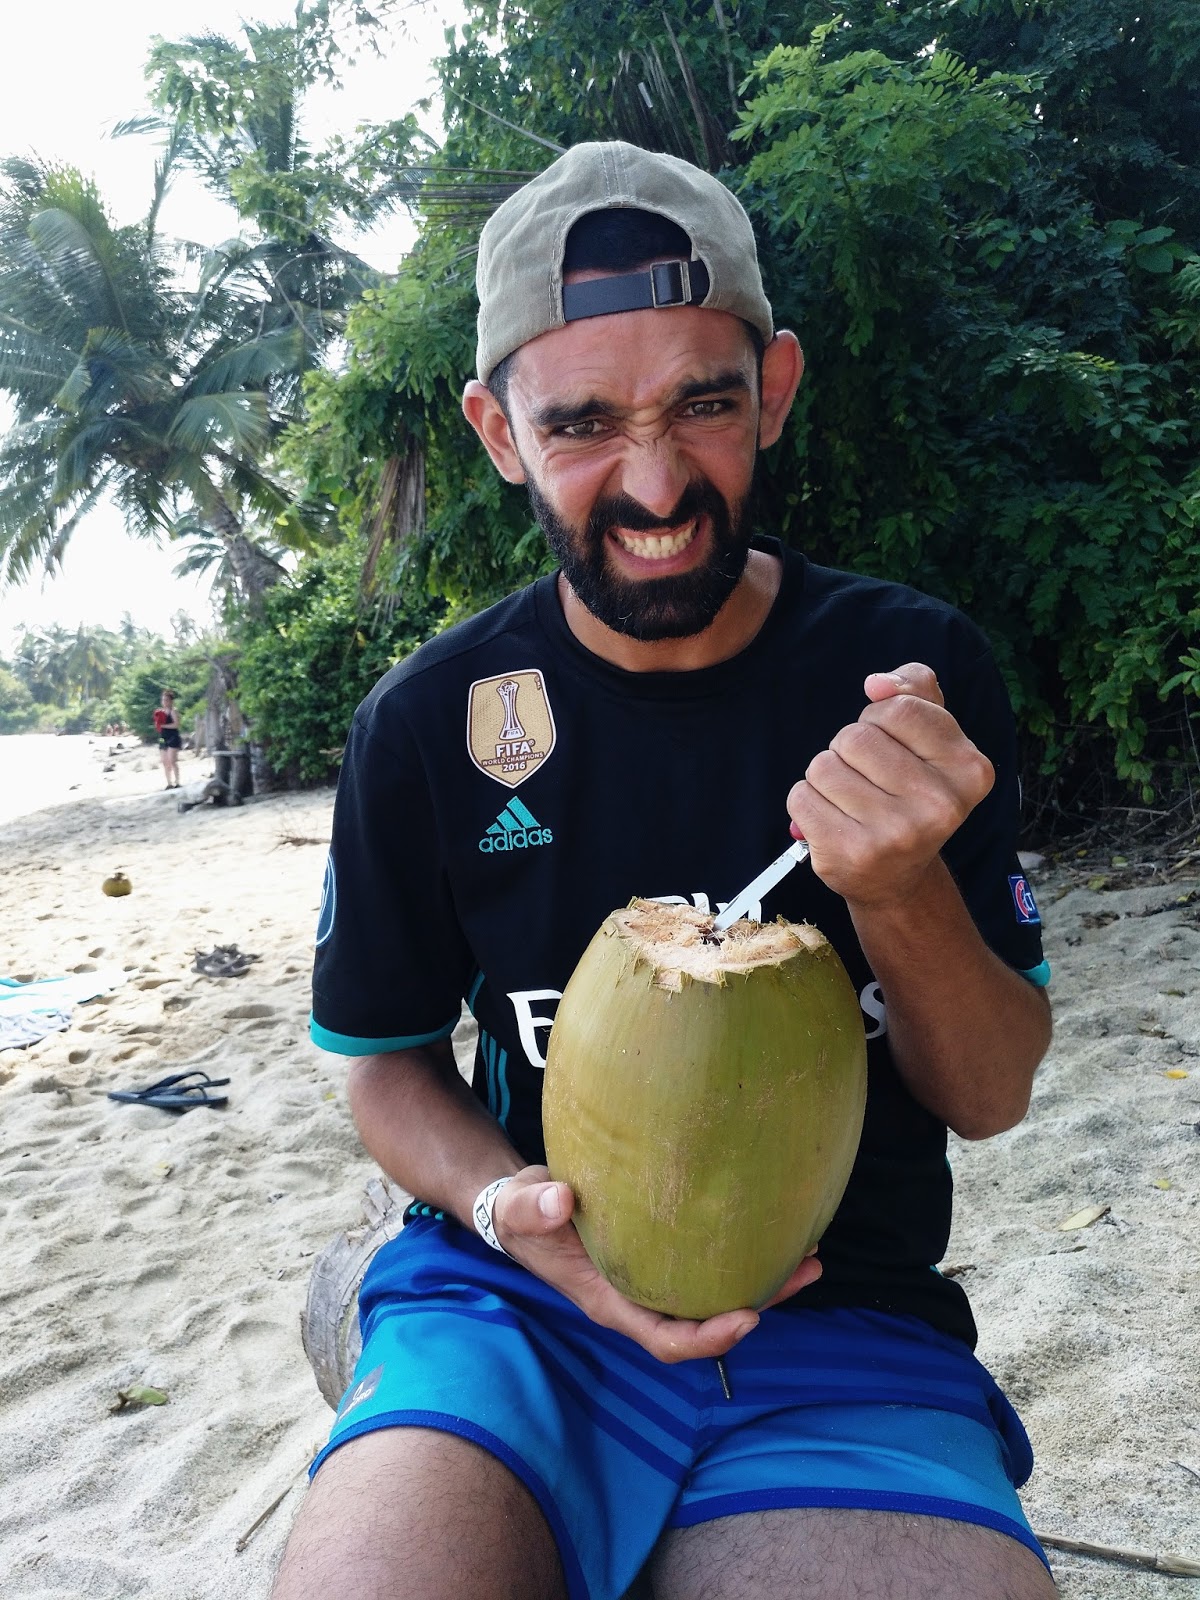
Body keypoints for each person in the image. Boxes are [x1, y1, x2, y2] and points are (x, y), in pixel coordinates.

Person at [275, 141, 1056, 1600]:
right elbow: (384, 1063)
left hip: (840, 1318)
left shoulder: (907, 678)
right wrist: (509, 1210)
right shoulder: (433, 722)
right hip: (511, 1302)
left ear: (776, 388)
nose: (653, 485)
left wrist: (897, 890)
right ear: (497, 432)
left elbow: (992, 1092)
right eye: (580, 423)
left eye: (704, 403)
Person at [154, 689, 182, 789]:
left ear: (171, 701)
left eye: (166, 700)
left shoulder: (173, 711)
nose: (164, 702)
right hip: (163, 738)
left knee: (172, 760)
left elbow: (176, 725)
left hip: (173, 737)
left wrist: (163, 726)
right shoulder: (160, 712)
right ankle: (169, 783)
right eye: (163, 700)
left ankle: (177, 781)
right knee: (165, 761)